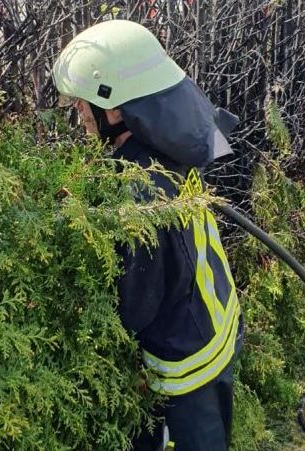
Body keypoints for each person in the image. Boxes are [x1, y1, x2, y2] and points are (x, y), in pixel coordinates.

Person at [53, 20, 243, 451]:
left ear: (116, 109)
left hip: (187, 360)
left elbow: (134, 306)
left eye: (83, 104)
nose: (79, 113)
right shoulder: (172, 141)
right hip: (212, 311)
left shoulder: (138, 190)